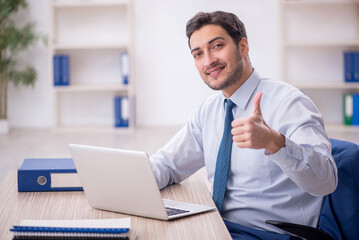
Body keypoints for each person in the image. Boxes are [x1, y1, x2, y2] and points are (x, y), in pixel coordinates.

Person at [149, 11, 338, 239]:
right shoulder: (209, 110)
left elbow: (326, 181)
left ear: (243, 47)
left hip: (268, 233)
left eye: (217, 46)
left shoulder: (289, 103)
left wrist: (275, 143)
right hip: (217, 226)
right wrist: (124, 180)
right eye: (198, 54)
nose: (208, 61)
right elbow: (168, 164)